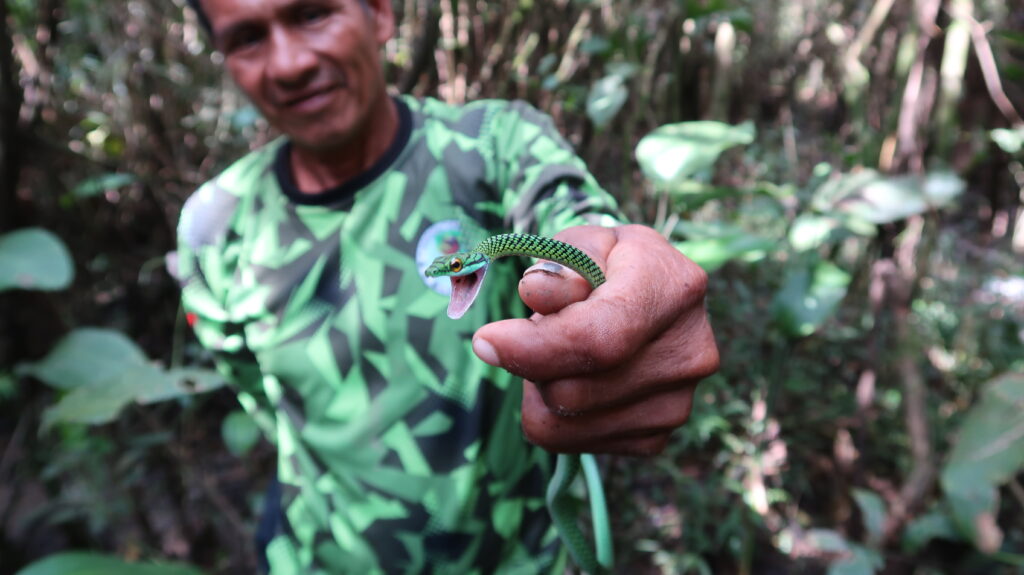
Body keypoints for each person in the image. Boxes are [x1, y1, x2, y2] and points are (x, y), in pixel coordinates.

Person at [173, 0, 719, 573]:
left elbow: (584, 223)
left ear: (379, 15)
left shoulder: (495, 142)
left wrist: (624, 272)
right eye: (247, 38)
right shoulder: (215, 224)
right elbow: (259, 395)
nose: (288, 64)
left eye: (313, 14)